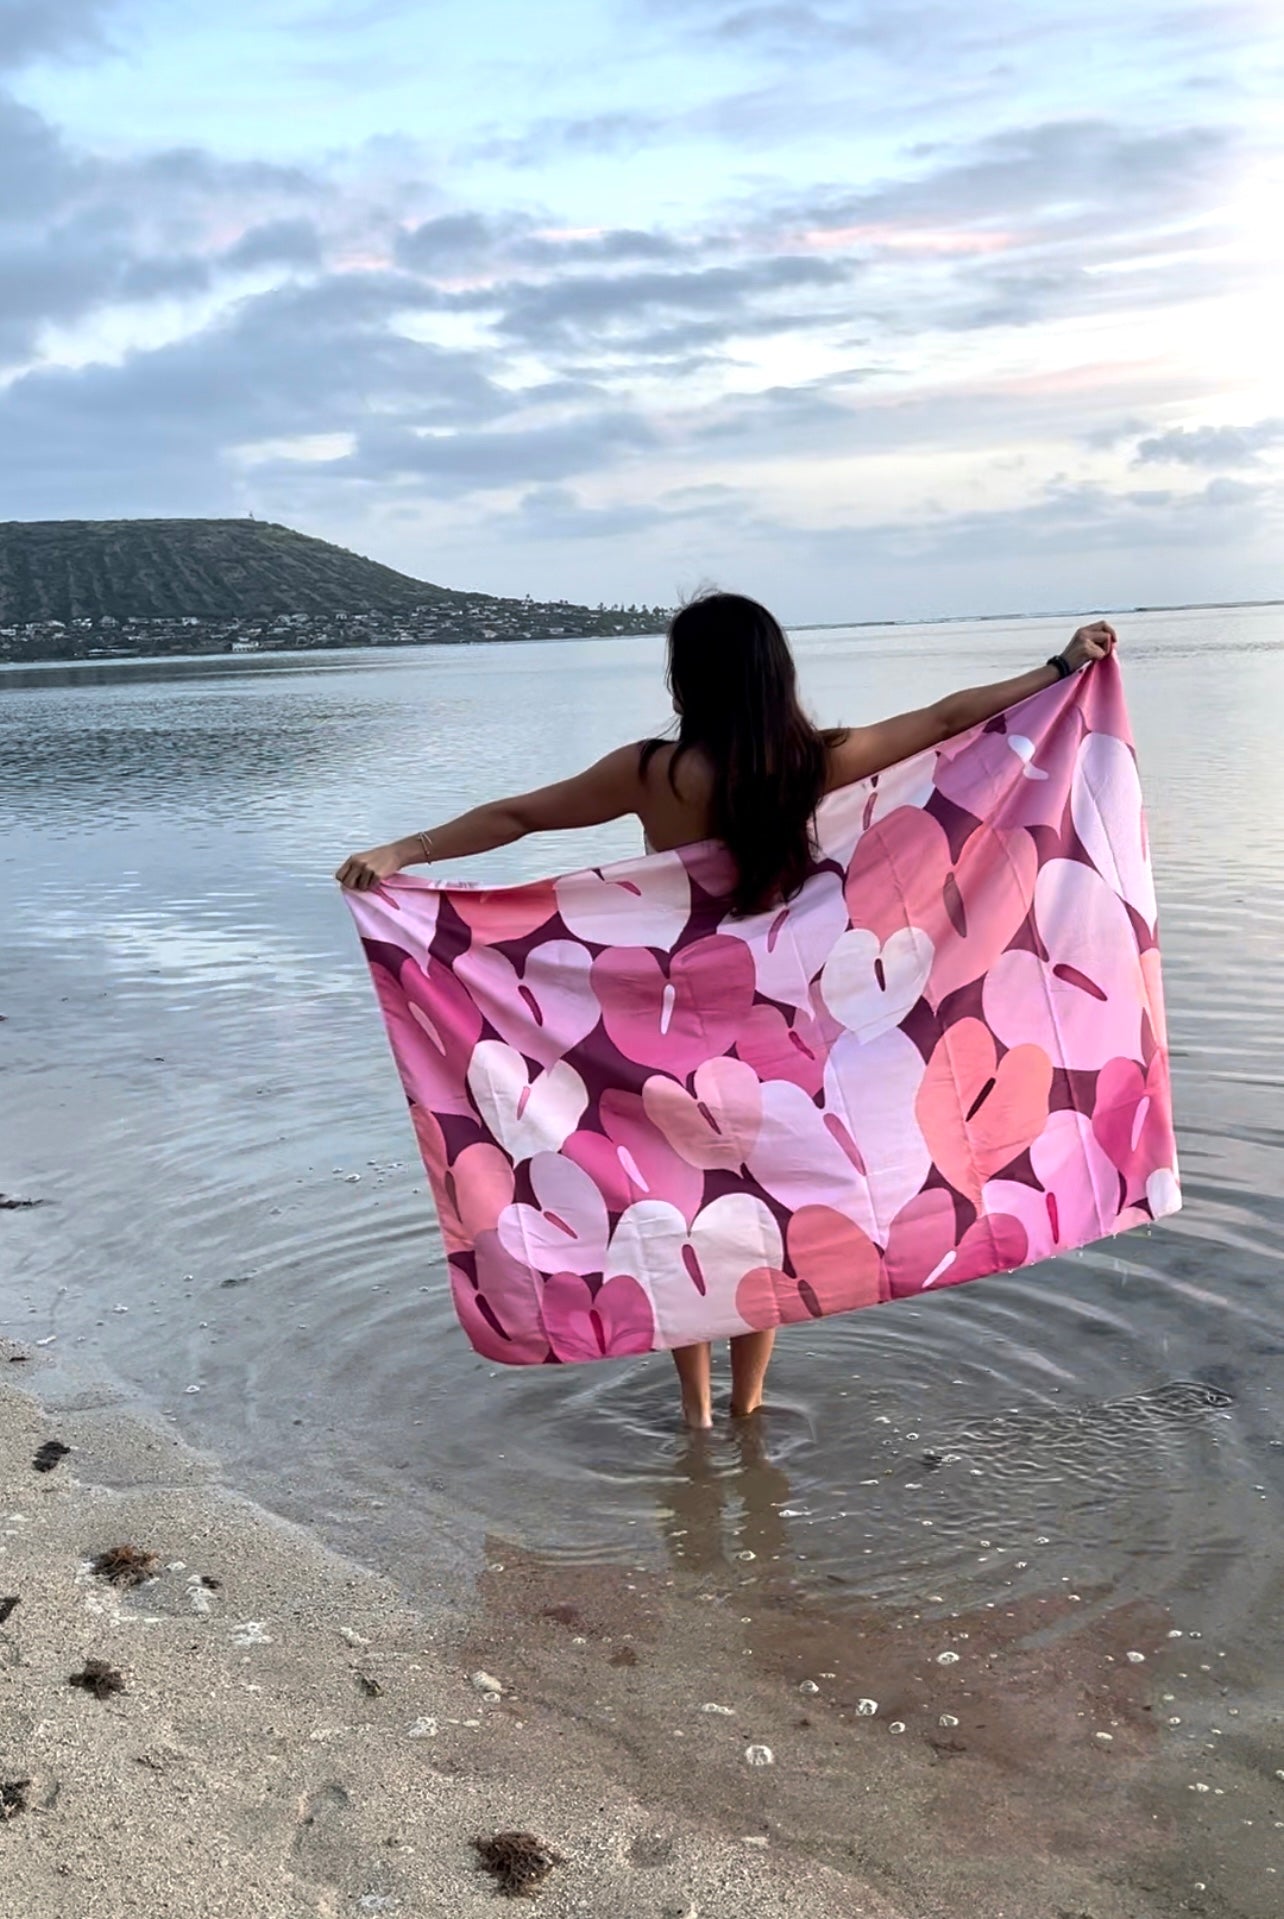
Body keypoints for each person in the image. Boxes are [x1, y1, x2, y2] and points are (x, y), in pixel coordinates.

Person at [337, 593, 1117, 1428]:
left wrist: (402, 852)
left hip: (663, 1026)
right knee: (766, 1211)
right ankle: (748, 1405)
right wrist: (1061, 668)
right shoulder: (810, 762)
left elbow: (521, 814)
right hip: (781, 1028)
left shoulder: (651, 772)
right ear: (773, 672)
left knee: (679, 1199)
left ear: (688, 680)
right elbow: (945, 718)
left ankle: (698, 1413)